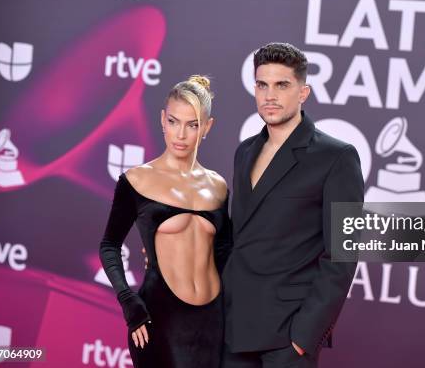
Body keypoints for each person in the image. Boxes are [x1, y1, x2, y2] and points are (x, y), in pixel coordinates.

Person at [221, 43, 364, 367]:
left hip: (287, 337)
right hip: (232, 327)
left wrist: (304, 337)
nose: (269, 95)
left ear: (303, 92)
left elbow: (341, 256)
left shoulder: (335, 157)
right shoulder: (244, 152)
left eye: (281, 85)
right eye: (262, 85)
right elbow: (237, 239)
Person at [99, 75, 230, 368]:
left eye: (192, 124)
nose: (180, 134)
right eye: (173, 121)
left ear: (207, 127)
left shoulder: (219, 186)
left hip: (213, 321)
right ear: (162, 119)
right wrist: (128, 301)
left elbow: (224, 254)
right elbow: (109, 245)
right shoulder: (137, 179)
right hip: (159, 317)